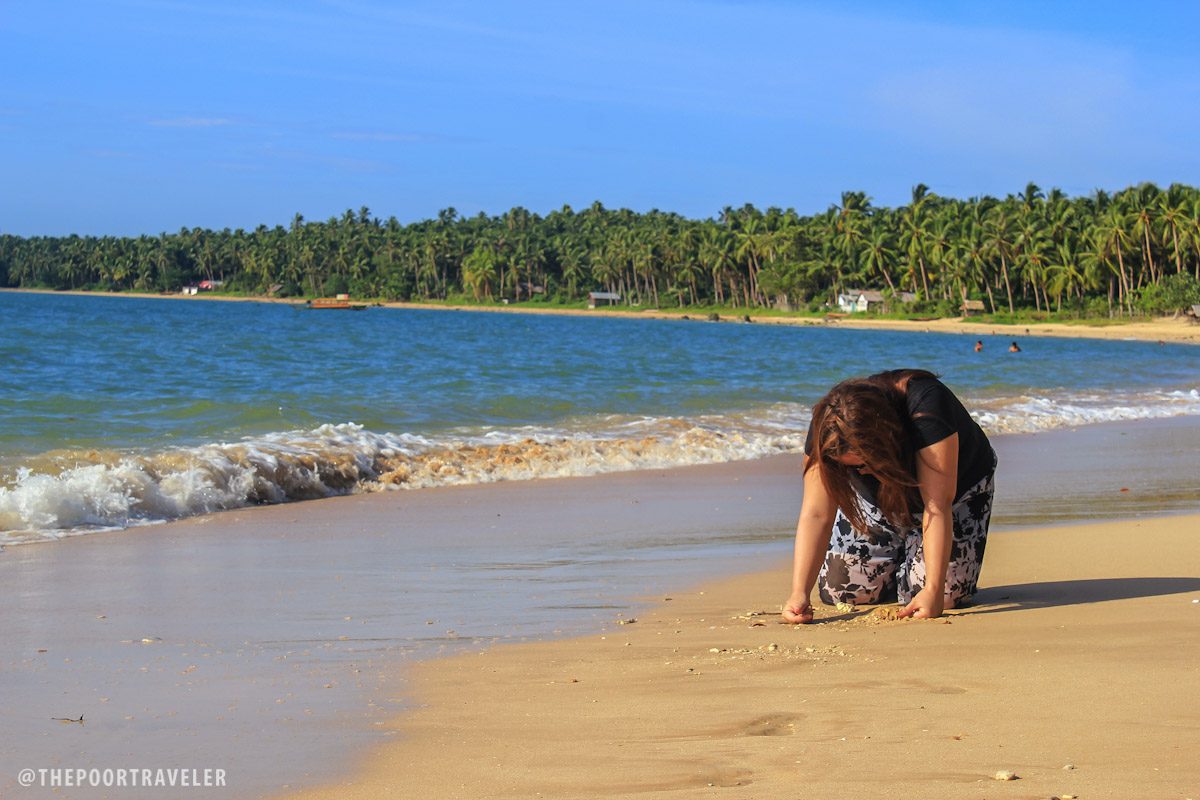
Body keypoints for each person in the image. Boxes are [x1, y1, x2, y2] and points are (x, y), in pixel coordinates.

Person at [782, 369, 997, 623]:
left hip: (956, 499)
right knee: (840, 590)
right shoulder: (828, 428)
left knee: (943, 596)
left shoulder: (927, 407)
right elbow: (816, 513)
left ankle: (912, 562)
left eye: (863, 465)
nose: (860, 473)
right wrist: (799, 593)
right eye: (849, 468)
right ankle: (900, 555)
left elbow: (938, 506)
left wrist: (933, 590)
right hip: (880, 506)